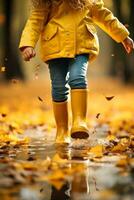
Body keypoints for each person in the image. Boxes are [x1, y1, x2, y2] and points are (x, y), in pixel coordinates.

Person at [19, 0, 134, 143]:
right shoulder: (45, 3)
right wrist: (27, 45)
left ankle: (79, 121)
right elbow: (34, 23)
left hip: (81, 46)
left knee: (77, 78)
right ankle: (62, 130)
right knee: (58, 87)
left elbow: (104, 16)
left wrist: (122, 35)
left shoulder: (87, 1)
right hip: (55, 47)